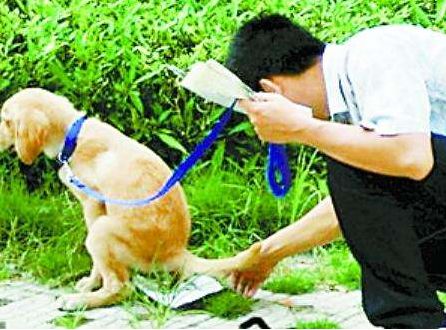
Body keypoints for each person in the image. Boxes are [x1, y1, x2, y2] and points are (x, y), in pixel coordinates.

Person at [226, 14, 446, 328]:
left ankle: (414, 323)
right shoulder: (352, 107)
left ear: (269, 91)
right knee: (354, 157)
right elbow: (363, 210)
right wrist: (267, 253)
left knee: (349, 155)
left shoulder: (374, 53)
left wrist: (303, 128)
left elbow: (411, 157)